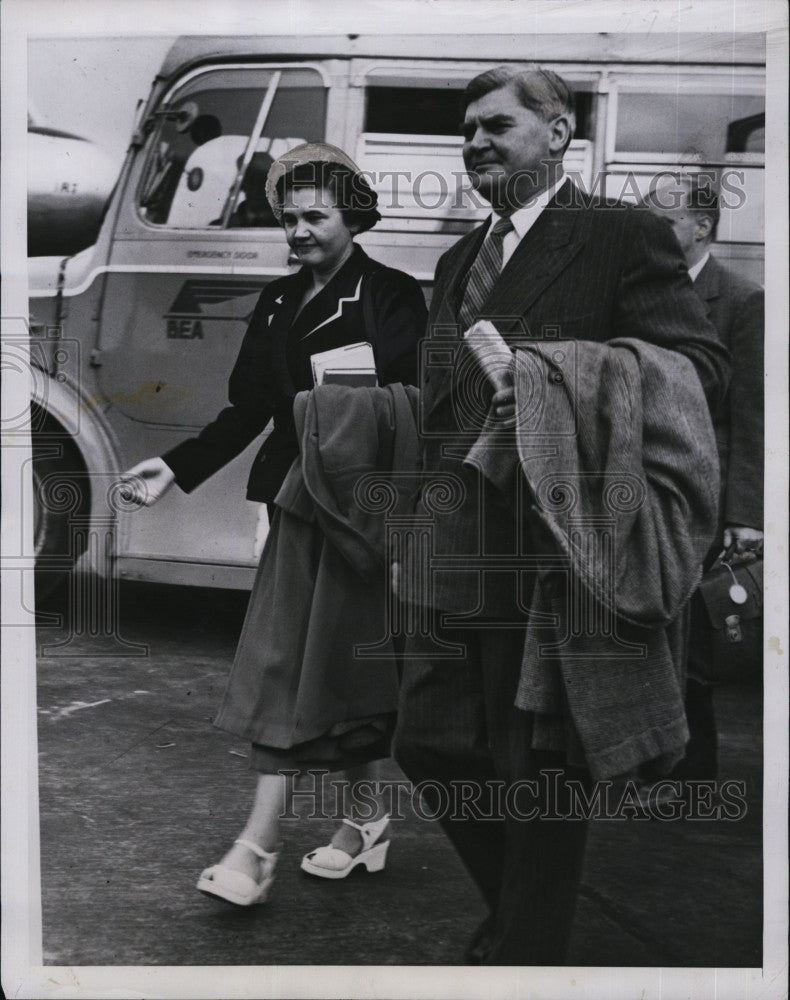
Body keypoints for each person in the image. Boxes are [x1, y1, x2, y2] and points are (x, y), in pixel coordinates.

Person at [392, 66, 729, 965]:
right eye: (466, 129)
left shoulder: (620, 235)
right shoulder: (459, 260)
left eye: (497, 125)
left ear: (557, 133)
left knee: (539, 766)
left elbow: (698, 368)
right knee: (427, 743)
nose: (475, 142)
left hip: (559, 545)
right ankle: (519, 918)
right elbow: (439, 410)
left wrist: (551, 380)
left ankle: (527, 947)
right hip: (459, 542)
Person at [122, 143, 427, 905]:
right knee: (322, 664)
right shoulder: (278, 299)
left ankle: (255, 848)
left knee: (291, 665)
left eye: (314, 216)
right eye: (287, 218)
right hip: (285, 502)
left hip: (356, 508)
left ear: (353, 215)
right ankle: (366, 817)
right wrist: (176, 467)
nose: (297, 231)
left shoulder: (391, 294)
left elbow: (406, 397)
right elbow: (248, 409)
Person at [646, 173, 764, 780]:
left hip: (705, 499)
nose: (650, 233)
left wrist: (745, 515)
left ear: (702, 229)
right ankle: (653, 764)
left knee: (691, 643)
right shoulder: (641, 293)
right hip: (644, 492)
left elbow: (754, 416)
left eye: (662, 222)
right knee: (648, 633)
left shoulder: (742, 301)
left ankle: (691, 775)